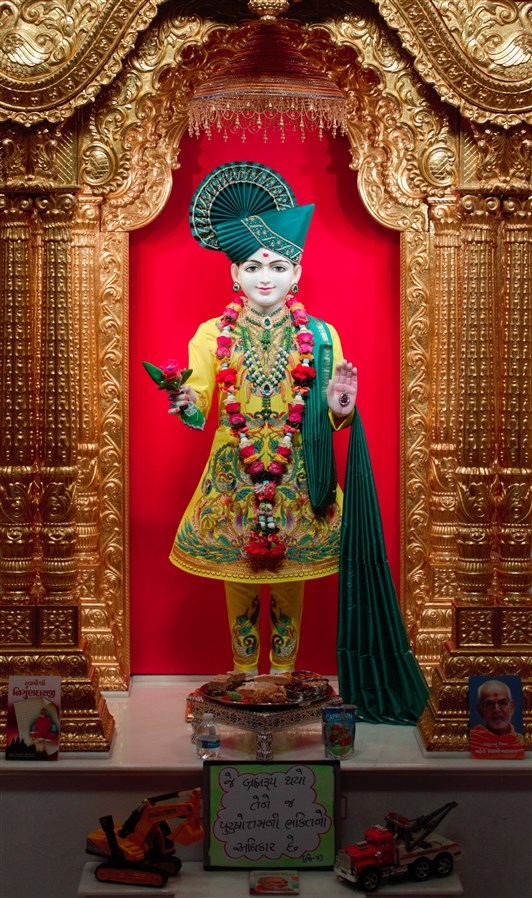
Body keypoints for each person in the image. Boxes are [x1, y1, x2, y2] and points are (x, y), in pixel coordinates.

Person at [167, 161, 356, 675]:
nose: (265, 277)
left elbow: (331, 412)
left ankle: (286, 677)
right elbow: (199, 396)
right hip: (235, 475)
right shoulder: (211, 333)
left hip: (297, 474)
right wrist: (186, 400)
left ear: (297, 272)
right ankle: (246, 676)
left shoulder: (321, 336)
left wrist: (341, 409)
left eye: (277, 266)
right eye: (252, 267)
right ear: (234, 274)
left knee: (292, 582)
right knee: (240, 580)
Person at [470, 678, 524, 758]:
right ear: (480, 710)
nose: (496, 710)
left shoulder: (521, 742)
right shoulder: (471, 741)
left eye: (502, 703)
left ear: (512, 707)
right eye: (489, 704)